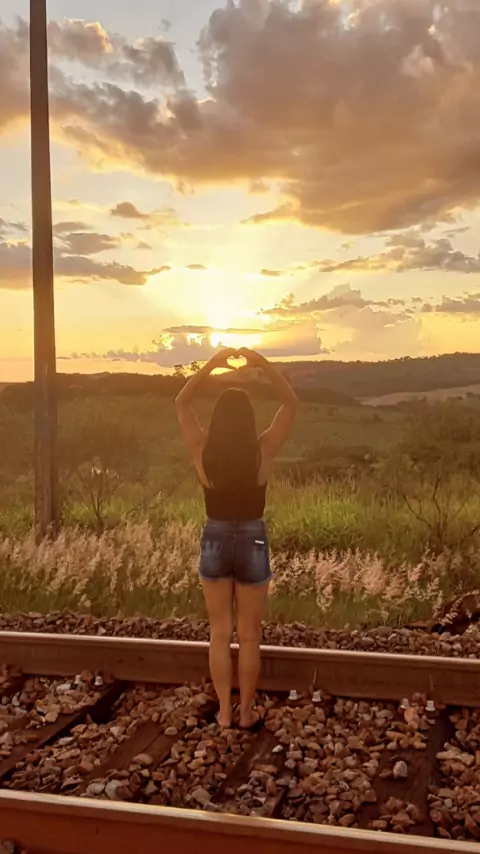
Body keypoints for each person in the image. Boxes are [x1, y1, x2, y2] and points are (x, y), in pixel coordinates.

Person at [175, 347, 298, 728]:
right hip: (252, 537)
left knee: (219, 633)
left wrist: (211, 366)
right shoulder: (262, 450)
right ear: (248, 420)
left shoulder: (201, 449)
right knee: (249, 636)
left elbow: (182, 402)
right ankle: (246, 712)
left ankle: (225, 714)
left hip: (214, 535)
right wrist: (263, 364)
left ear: (216, 420)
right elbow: (290, 403)